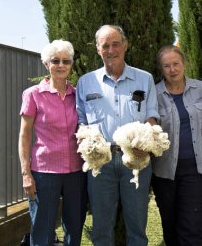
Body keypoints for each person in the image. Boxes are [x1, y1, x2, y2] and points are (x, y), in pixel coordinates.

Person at [76, 25, 159, 245]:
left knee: (137, 225)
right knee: (101, 228)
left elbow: (152, 116)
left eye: (115, 44)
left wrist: (146, 141)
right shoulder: (85, 82)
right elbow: (81, 121)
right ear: (97, 49)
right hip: (99, 163)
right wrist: (86, 139)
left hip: (137, 159)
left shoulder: (145, 79)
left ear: (125, 45)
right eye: (105, 46)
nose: (111, 50)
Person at [18, 39, 87, 245]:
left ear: (71, 65)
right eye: (55, 60)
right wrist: (26, 173)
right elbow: (24, 135)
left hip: (75, 172)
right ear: (46, 64)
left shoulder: (78, 95)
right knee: (43, 230)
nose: (61, 65)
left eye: (66, 61)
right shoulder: (33, 95)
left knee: (74, 227)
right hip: (44, 172)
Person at [151, 45, 202, 246]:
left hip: (196, 170)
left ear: (184, 64)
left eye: (176, 64)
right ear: (161, 69)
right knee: (170, 226)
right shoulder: (154, 94)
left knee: (192, 226)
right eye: (166, 66)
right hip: (165, 171)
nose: (172, 69)